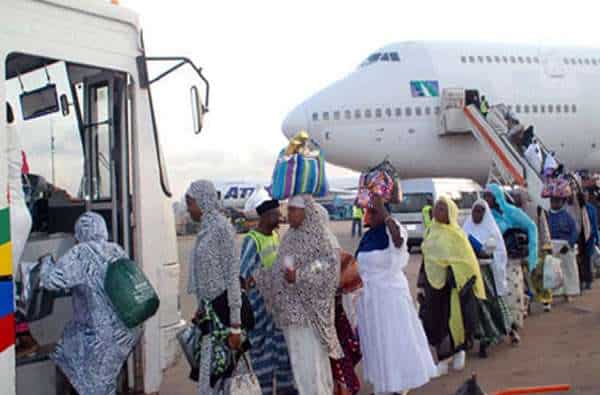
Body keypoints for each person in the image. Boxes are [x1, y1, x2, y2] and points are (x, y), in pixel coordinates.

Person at [39, 212, 140, 395]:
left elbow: (50, 281)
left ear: (80, 232)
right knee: (94, 373)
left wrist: (45, 261)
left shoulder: (82, 252)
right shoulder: (115, 249)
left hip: (100, 336)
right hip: (125, 332)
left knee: (93, 383)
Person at [256, 194, 341, 395]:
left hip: (309, 317)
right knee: (301, 369)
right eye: (289, 209)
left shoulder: (321, 237)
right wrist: (260, 278)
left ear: (307, 212)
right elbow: (279, 270)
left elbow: (330, 270)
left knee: (311, 368)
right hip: (290, 316)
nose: (288, 214)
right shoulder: (290, 236)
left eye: (293, 210)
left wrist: (301, 275)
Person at [356, 195, 437, 394]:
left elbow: (399, 243)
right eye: (369, 211)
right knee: (377, 343)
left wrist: (385, 216)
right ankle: (384, 385)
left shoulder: (394, 228)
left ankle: (398, 386)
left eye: (374, 212)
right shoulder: (368, 236)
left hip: (389, 299)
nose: (370, 215)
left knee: (393, 341)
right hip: (370, 300)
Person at [185, 180, 243, 394]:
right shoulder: (204, 230)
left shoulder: (222, 229)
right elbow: (204, 277)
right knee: (211, 377)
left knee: (223, 377)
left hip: (224, 316)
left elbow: (232, 277)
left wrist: (235, 326)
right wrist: (200, 308)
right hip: (209, 316)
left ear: (204, 201)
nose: (188, 208)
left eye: (190, 203)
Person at [421, 196, 486, 376]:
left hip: (453, 288)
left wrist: (457, 275)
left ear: (450, 213)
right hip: (434, 287)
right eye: (436, 208)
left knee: (454, 322)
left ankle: (458, 351)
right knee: (436, 323)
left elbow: (467, 261)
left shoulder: (457, 235)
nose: (437, 211)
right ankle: (443, 359)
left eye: (442, 209)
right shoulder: (430, 231)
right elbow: (426, 258)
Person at [239, 189, 296, 395]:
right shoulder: (252, 240)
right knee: (261, 360)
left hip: (277, 311)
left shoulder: (274, 236)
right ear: (265, 216)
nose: (280, 217)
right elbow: (243, 278)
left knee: (282, 358)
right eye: (276, 214)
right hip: (260, 313)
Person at [463, 200, 519, 357]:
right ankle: (483, 338)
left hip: (487, 274)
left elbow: (498, 253)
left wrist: (483, 251)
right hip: (471, 273)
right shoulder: (466, 229)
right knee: (476, 307)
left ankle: (508, 331)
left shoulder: (491, 231)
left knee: (493, 304)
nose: (477, 214)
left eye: (480, 211)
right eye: (475, 211)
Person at [317, 204, 362, 395]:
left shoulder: (326, 242)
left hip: (330, 316)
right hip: (327, 315)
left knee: (336, 358)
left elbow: (350, 277)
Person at [6, 103, 37, 357]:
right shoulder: (13, 139)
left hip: (7, 215)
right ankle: (21, 335)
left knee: (5, 282)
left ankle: (10, 343)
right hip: (18, 214)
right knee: (10, 279)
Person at [484, 184, 537, 329]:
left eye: (489, 196)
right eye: (485, 196)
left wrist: (532, 254)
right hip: (493, 262)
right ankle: (503, 327)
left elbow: (531, 227)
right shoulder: (486, 216)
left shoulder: (511, 213)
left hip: (511, 261)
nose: (486, 199)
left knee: (513, 293)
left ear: (497, 197)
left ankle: (513, 327)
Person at [548, 196, 580, 300]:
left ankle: (569, 292)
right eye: (553, 201)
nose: (555, 203)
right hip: (552, 245)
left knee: (568, 270)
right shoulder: (547, 215)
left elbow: (574, 231)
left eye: (558, 201)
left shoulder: (567, 215)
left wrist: (569, 244)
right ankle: (556, 292)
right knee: (554, 270)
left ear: (562, 202)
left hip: (566, 245)